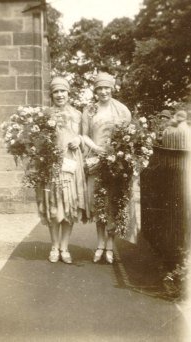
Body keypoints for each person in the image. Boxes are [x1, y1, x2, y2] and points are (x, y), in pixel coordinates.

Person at [36, 76, 89, 264]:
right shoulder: (46, 114)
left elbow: (85, 137)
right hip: (52, 165)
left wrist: (80, 140)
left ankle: (65, 248)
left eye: (63, 91)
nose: (60, 95)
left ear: (68, 93)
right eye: (56, 92)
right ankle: (54, 246)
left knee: (69, 206)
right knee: (53, 206)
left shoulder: (78, 114)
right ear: (52, 94)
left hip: (72, 164)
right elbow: (38, 141)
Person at [82, 72, 131, 264]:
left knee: (113, 202)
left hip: (115, 162)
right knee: (98, 204)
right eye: (100, 88)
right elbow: (84, 135)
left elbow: (129, 137)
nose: (103, 92)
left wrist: (116, 152)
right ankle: (100, 244)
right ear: (95, 90)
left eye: (106, 88)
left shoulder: (122, 110)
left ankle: (110, 246)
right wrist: (96, 148)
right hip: (95, 160)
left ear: (112, 88)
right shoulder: (90, 110)